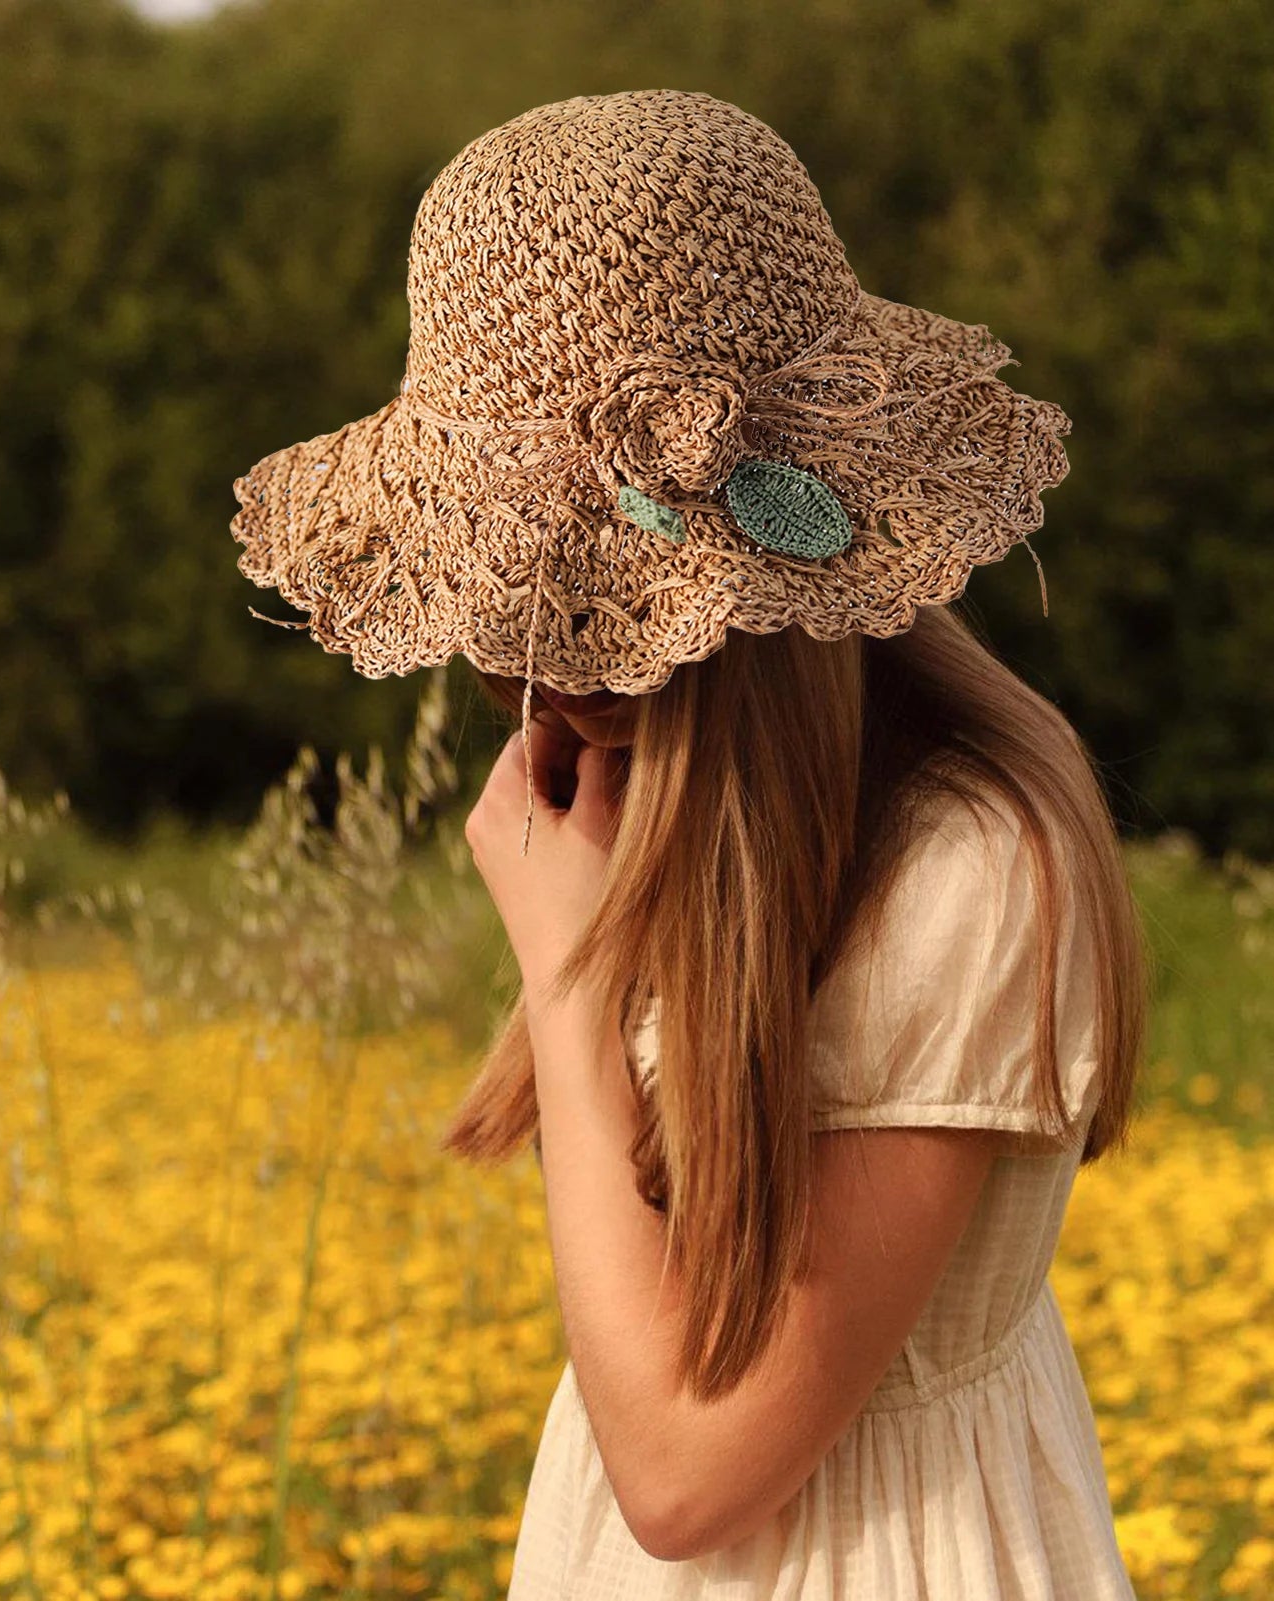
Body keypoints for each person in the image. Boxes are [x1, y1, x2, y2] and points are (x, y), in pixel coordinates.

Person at [230, 89, 1147, 1599]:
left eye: (568, 581)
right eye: (507, 589)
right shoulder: (661, 817)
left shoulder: (964, 870)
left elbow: (686, 1471)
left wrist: (571, 989)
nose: (530, 652)